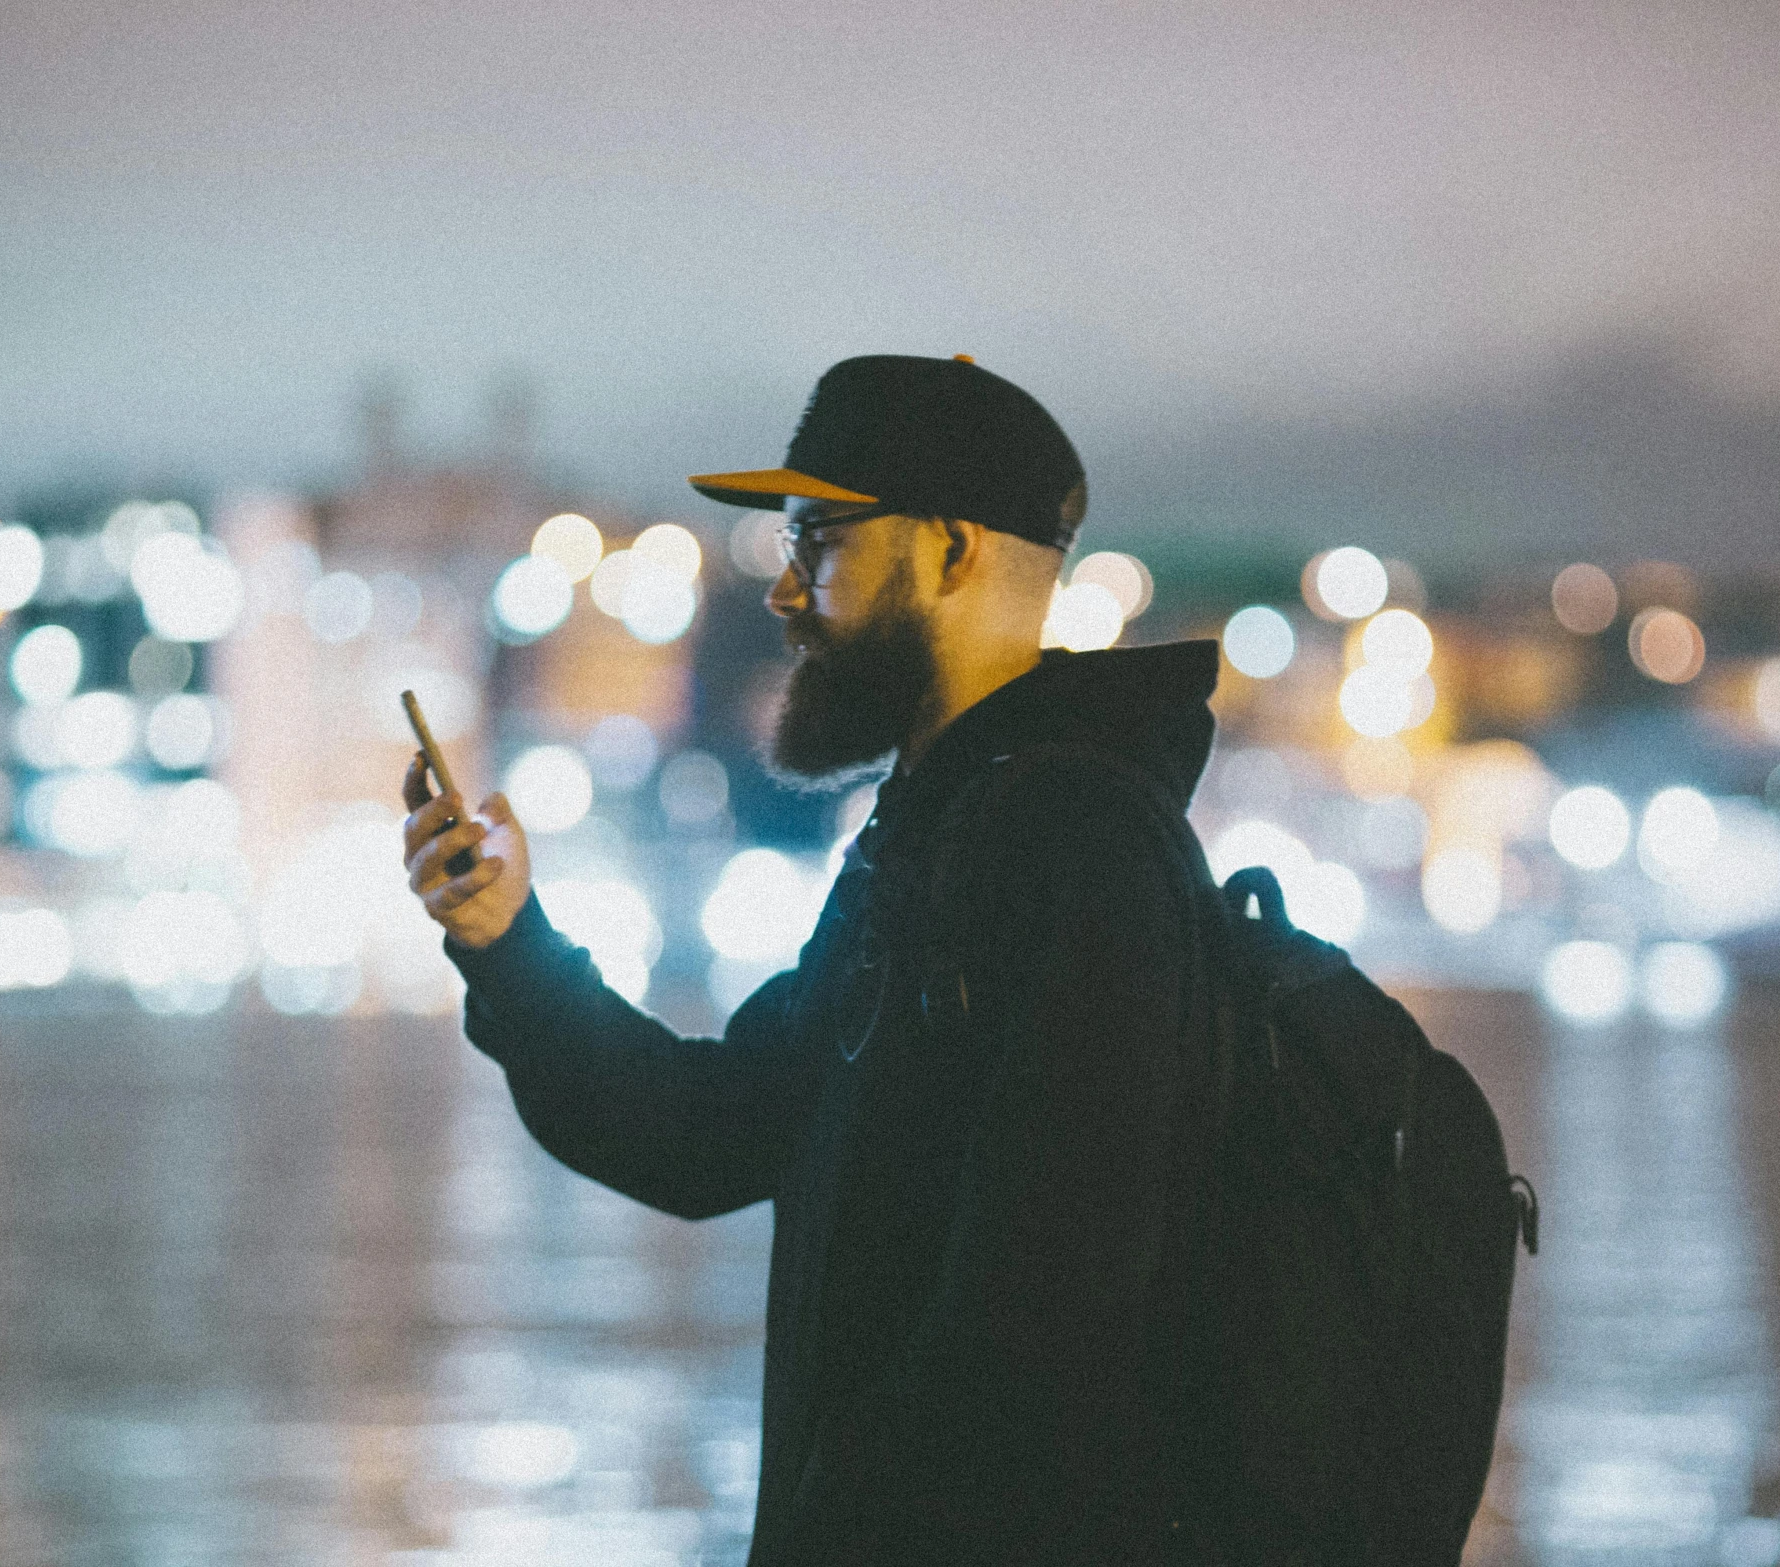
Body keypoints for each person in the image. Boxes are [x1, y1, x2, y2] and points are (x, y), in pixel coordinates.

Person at [402, 354, 1228, 1565]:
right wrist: (506, 943)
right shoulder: (936, 834)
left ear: (951, 553)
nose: (786, 592)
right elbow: (706, 1131)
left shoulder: (1072, 853)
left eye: (821, 540)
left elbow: (1036, 1347)